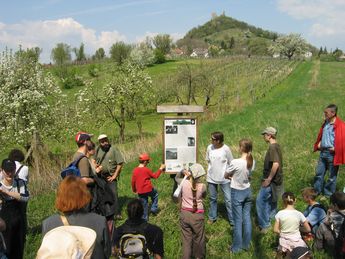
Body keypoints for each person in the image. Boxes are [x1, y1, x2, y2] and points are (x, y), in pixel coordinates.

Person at [42, 175, 111, 259]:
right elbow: (107, 252)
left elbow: (46, 252)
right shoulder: (99, 221)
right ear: (85, 194)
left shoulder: (48, 224)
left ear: (60, 196)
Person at [225, 139, 255, 253]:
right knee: (247, 218)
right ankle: (246, 245)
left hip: (237, 192)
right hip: (247, 190)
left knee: (238, 221)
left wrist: (231, 177)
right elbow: (248, 175)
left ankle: (236, 248)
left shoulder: (235, 162)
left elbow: (225, 175)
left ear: (241, 148)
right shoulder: (252, 161)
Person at [175, 163, 207, 259]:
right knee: (199, 238)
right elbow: (204, 196)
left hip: (184, 213)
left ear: (190, 173)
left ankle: (186, 257)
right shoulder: (203, 186)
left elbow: (176, 178)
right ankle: (198, 256)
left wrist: (182, 171)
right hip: (197, 215)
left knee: (186, 239)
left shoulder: (183, 183)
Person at [313, 104, 345, 197]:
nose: (324, 114)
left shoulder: (341, 125)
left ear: (333, 113)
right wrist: (319, 143)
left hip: (332, 154)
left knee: (332, 177)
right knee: (319, 173)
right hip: (323, 152)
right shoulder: (326, 123)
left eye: (326, 112)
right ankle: (316, 191)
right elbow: (322, 135)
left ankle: (328, 194)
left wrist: (336, 148)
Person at [0, 159, 29, 259]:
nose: (9, 173)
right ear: (2, 170)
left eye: (12, 170)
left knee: (19, 249)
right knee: (7, 249)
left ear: (15, 170)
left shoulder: (20, 183)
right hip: (4, 223)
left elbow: (25, 197)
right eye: (7, 171)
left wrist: (7, 193)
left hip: (19, 221)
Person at [256, 127, 283, 233]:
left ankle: (265, 225)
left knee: (260, 201)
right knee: (271, 201)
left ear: (269, 135)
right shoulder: (277, 146)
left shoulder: (272, 147)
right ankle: (272, 220)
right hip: (276, 180)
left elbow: (276, 164)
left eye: (265, 135)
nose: (264, 137)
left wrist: (268, 179)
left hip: (271, 180)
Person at [206, 131, 233, 225]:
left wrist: (228, 173)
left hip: (224, 179)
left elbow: (231, 162)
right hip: (211, 177)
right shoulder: (209, 147)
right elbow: (208, 161)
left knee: (228, 199)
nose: (211, 140)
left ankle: (233, 220)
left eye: (213, 139)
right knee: (212, 198)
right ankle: (212, 217)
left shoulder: (226, 149)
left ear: (218, 140)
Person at [95, 134, 124, 220]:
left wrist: (115, 175)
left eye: (105, 140)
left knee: (113, 194)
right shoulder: (98, 149)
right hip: (101, 176)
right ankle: (106, 212)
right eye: (102, 141)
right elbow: (93, 159)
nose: (104, 142)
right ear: (100, 142)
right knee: (103, 194)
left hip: (111, 176)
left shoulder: (114, 149)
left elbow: (120, 163)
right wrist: (96, 166)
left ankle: (117, 213)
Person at [131, 153, 165, 221]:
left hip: (140, 191)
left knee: (144, 204)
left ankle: (145, 219)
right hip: (148, 189)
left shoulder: (135, 170)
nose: (148, 163)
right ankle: (153, 208)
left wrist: (134, 190)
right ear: (145, 161)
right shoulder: (146, 170)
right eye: (148, 161)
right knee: (155, 195)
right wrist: (161, 168)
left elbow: (133, 182)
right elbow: (155, 176)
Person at [314, 191, 345, 257]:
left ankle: (318, 249)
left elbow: (326, 223)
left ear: (335, 205)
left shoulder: (333, 215)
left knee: (322, 227)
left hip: (337, 242)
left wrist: (328, 214)